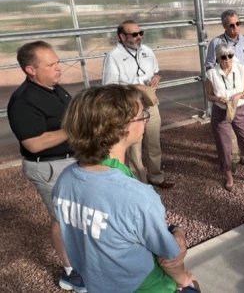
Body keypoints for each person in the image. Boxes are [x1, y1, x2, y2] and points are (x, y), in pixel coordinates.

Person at [52, 85, 200, 293]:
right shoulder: (137, 196)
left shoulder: (65, 179)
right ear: (121, 129)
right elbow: (170, 256)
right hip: (148, 286)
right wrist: (185, 279)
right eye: (141, 116)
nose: (146, 119)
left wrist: (174, 231)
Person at [7, 41, 86, 292]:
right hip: (49, 168)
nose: (58, 68)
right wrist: (74, 128)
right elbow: (34, 143)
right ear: (31, 70)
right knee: (62, 220)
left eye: (58, 62)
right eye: (51, 64)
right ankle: (71, 272)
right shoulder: (23, 101)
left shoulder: (54, 88)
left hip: (70, 160)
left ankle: (83, 257)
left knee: (77, 215)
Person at [102, 19, 175, 189]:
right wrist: (135, 86)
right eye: (134, 34)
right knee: (134, 147)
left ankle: (156, 176)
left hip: (150, 102)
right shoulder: (113, 56)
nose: (139, 37)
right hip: (130, 106)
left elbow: (156, 71)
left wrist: (157, 77)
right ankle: (140, 183)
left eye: (140, 33)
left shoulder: (147, 51)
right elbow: (109, 85)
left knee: (154, 142)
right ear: (122, 36)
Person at [205, 43, 244, 192]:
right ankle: (229, 176)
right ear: (218, 58)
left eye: (230, 56)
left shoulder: (241, 69)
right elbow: (208, 95)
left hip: (239, 109)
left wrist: (240, 94)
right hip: (220, 112)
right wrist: (217, 98)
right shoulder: (211, 73)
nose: (227, 59)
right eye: (223, 57)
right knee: (224, 147)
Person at [205, 10, 244, 174]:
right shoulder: (216, 43)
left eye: (238, 23)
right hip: (225, 94)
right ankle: (233, 157)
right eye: (231, 25)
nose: (236, 27)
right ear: (224, 26)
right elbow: (209, 66)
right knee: (228, 123)